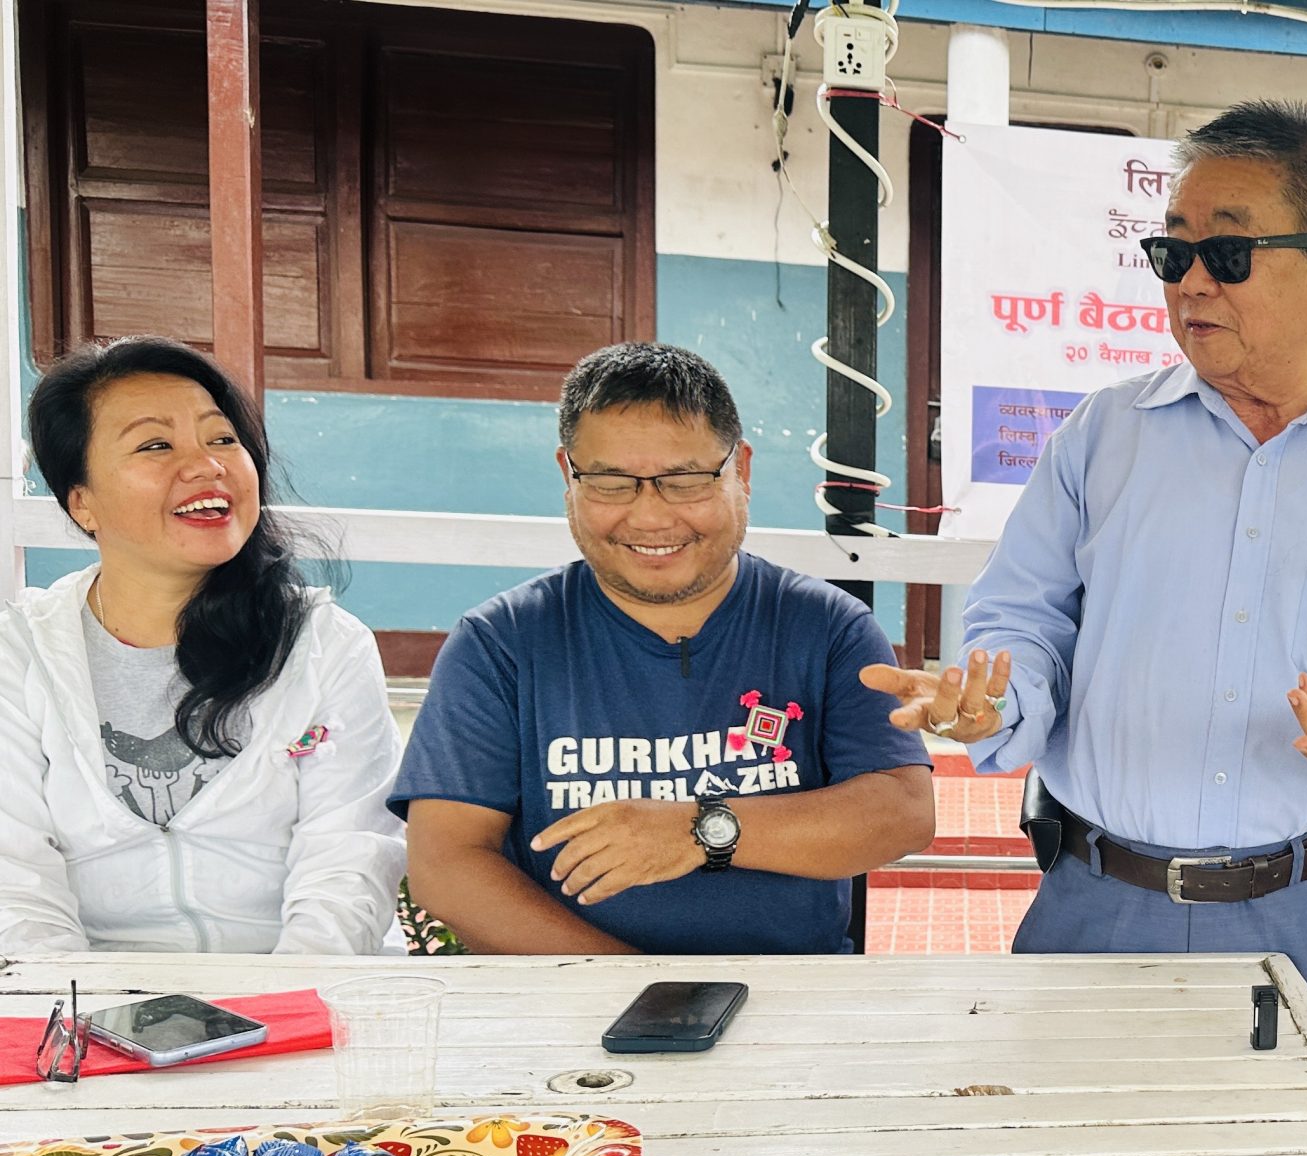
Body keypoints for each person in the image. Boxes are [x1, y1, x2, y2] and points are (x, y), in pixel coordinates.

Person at [862, 101, 1307, 1044]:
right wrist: (997, 701)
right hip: (1099, 902)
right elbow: (1024, 623)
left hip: (1301, 913)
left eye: (1228, 254)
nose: (1191, 282)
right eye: (1172, 252)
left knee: (1290, 1142)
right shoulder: (1103, 437)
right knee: (1062, 1135)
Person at [394, 343, 933, 955]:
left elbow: (901, 811)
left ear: (741, 471)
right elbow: (447, 863)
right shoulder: (501, 643)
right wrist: (643, 987)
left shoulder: (827, 626)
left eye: (685, 481)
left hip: (791, 990)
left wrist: (698, 830)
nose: (649, 517)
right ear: (568, 476)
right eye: (610, 483)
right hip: (573, 993)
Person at [0, 336, 404, 954]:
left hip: (303, 992)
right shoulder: (20, 651)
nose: (208, 466)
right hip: (95, 1000)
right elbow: (16, 885)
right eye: (155, 445)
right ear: (82, 503)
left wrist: (286, 1003)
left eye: (222, 439)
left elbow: (348, 867)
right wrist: (80, 1007)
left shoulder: (325, 645)